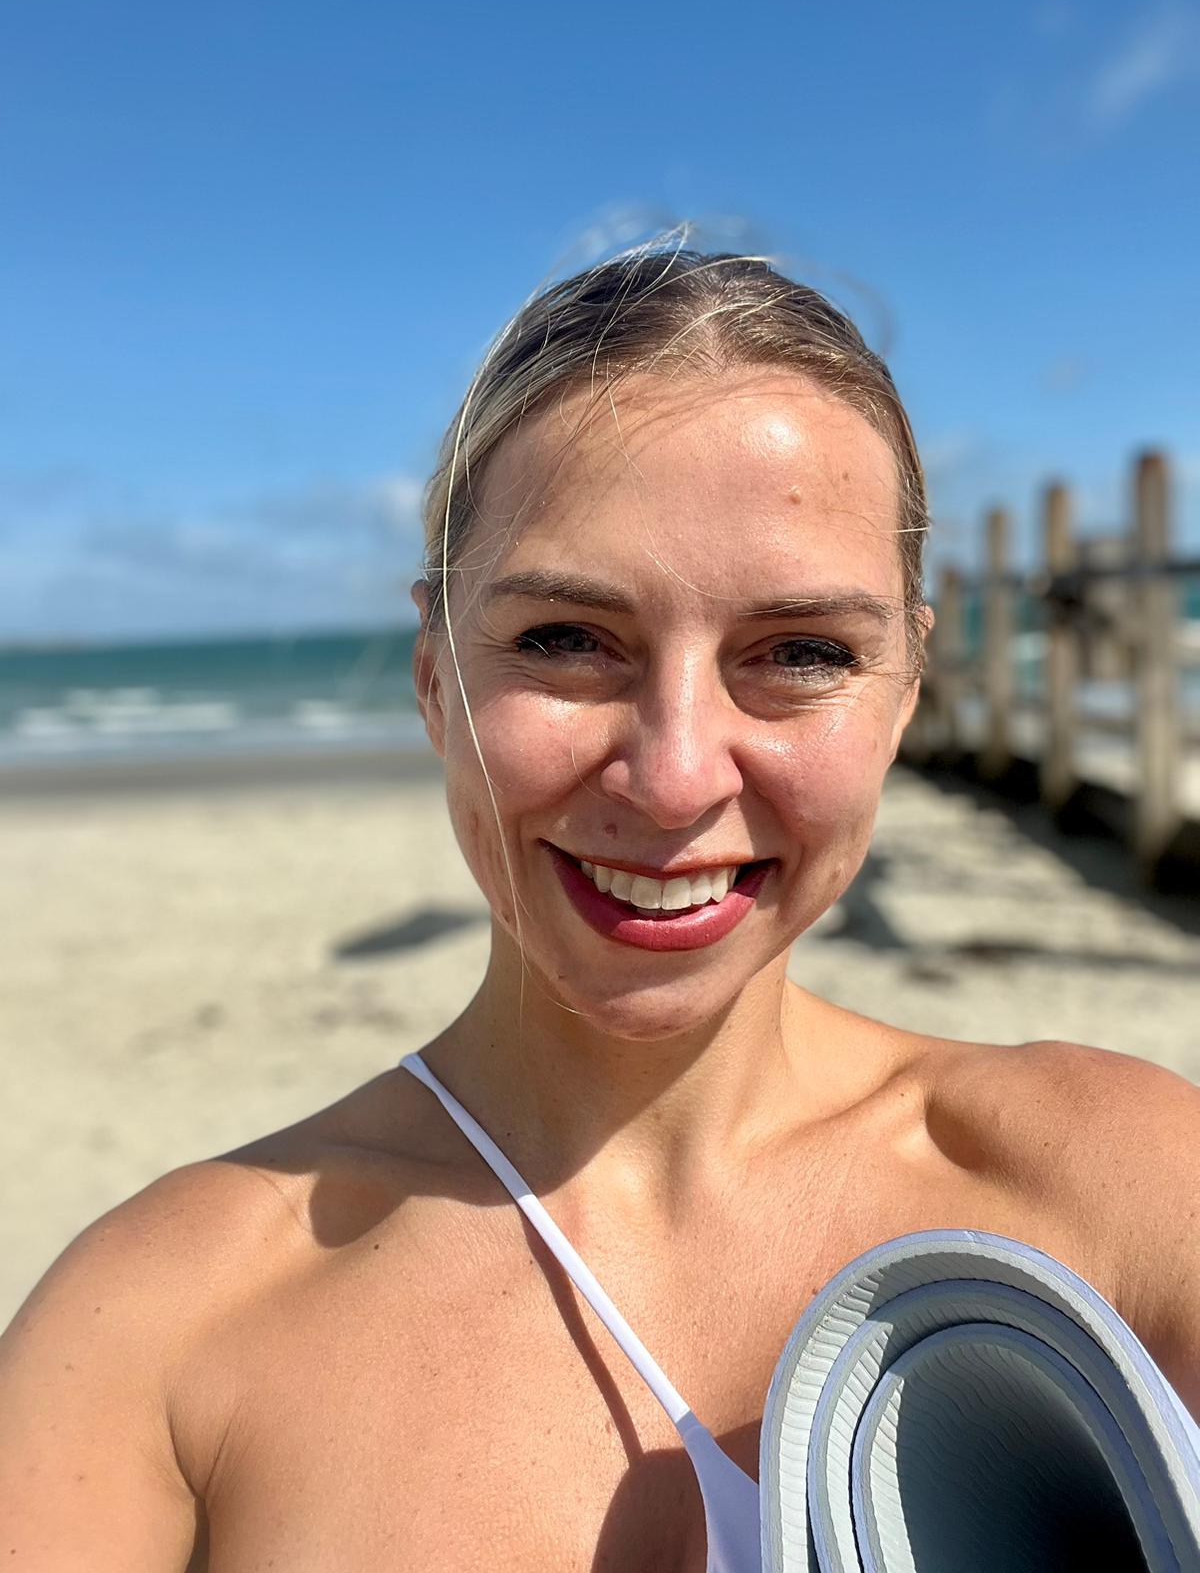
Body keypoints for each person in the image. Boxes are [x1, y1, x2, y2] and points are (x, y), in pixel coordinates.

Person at [1, 247, 1197, 1571]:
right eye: (567, 640)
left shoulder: (1125, 1191)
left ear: (906, 690)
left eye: (800, 653)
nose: (677, 776)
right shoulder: (154, 1341)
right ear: (431, 677)